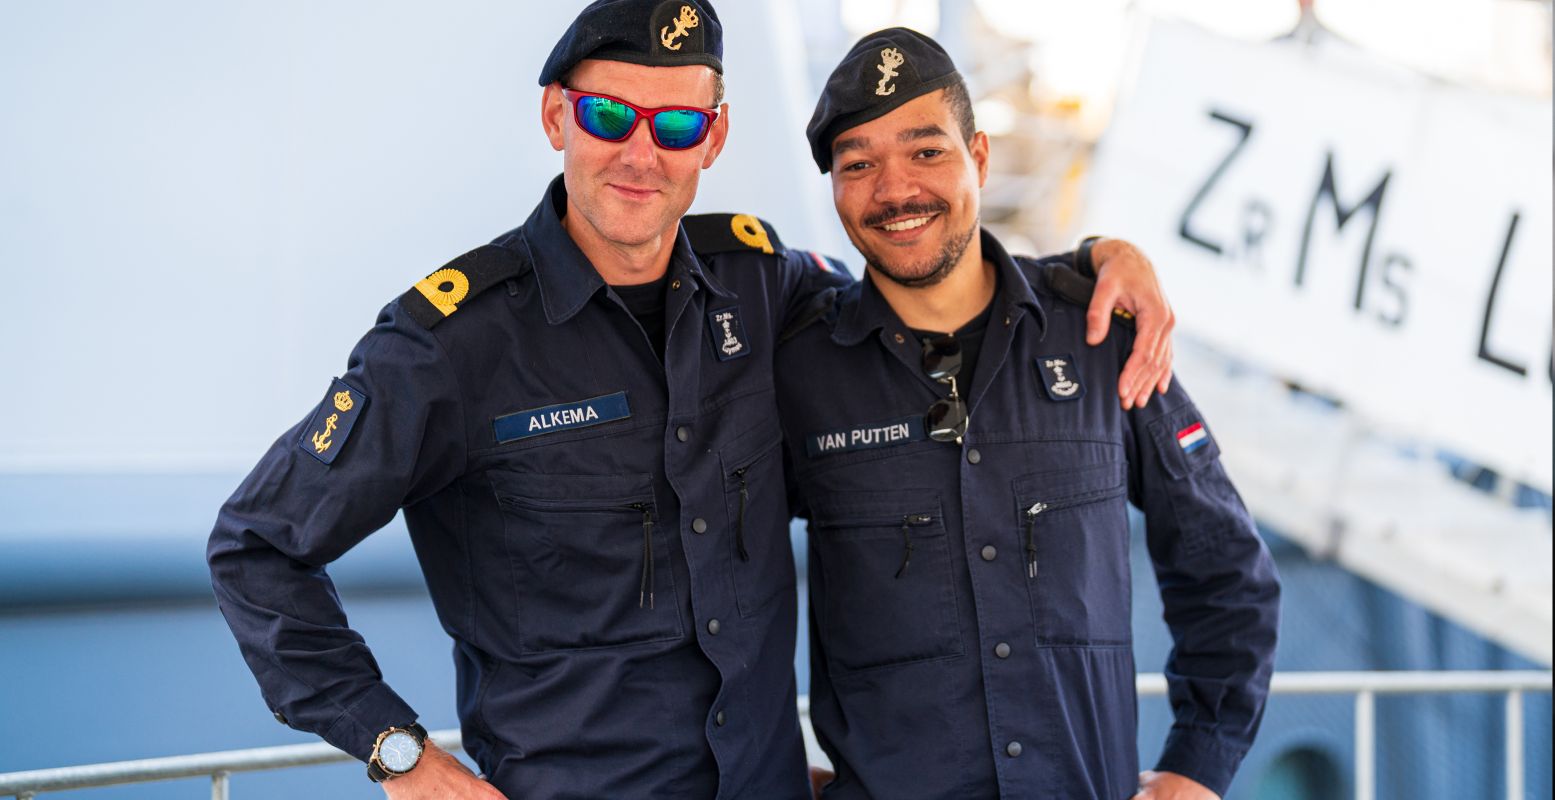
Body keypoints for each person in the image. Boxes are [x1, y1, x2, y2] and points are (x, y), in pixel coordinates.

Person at [206, 3, 1176, 798]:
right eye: (606, 117)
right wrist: (401, 754)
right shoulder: (451, 343)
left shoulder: (763, 285)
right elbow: (257, 547)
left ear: (710, 137)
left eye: (674, 125)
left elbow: (921, 278)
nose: (640, 152)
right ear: (555, 118)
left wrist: (1084, 266)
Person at [779, 28, 1281, 800]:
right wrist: (766, 764)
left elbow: (1224, 569)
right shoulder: (799, 369)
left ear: (977, 158)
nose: (894, 188)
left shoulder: (1099, 337)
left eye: (925, 151)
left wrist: (1196, 767)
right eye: (858, 164)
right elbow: (710, 585)